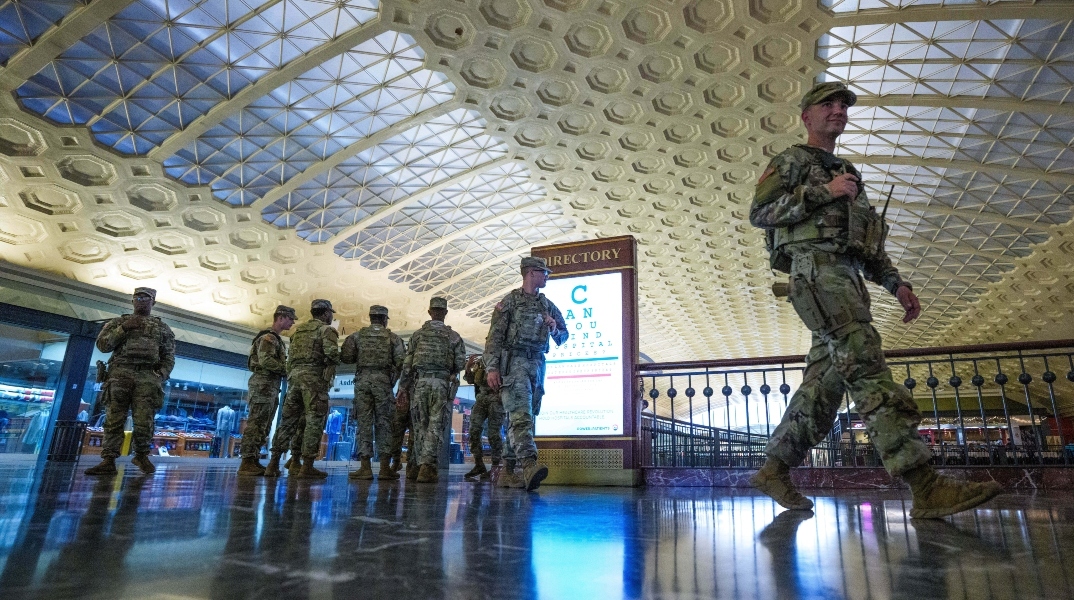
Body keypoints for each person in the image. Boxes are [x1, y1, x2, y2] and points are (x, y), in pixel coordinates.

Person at [748, 81, 1001, 518]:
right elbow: (760, 213)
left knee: (824, 387)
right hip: (816, 274)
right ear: (807, 116)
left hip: (845, 278)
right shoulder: (791, 161)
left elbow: (864, 243)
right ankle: (925, 486)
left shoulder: (848, 173)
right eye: (827, 104)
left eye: (843, 105)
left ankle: (773, 468)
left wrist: (895, 283)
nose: (837, 110)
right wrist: (823, 194)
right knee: (866, 366)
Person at [483, 256, 568, 491]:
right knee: (520, 416)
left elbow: (563, 336)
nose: (547, 277)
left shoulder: (547, 305)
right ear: (531, 273)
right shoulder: (509, 302)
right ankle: (529, 464)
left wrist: (553, 327)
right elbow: (495, 338)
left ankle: (508, 472)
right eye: (544, 273)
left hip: (538, 365)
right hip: (515, 363)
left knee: (525, 417)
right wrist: (492, 367)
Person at [85, 287, 175, 476]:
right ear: (132, 301)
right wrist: (123, 329)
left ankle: (141, 455)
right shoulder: (119, 322)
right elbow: (103, 346)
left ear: (153, 302)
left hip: (146, 377)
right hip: (120, 374)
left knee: (144, 420)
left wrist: (161, 374)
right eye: (138, 297)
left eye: (146, 298)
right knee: (114, 419)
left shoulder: (162, 328)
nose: (141, 301)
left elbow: (168, 356)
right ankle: (108, 459)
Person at [265, 299, 340, 479]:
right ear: (325, 313)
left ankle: (273, 463)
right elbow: (332, 355)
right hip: (314, 381)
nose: (331, 316)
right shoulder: (327, 330)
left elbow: (290, 359)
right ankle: (307, 466)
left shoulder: (298, 332)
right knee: (314, 421)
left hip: (294, 380)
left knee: (288, 421)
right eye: (330, 313)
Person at [398, 297, 466, 484]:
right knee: (435, 425)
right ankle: (427, 467)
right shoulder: (454, 337)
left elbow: (407, 365)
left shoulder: (418, 335)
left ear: (429, 312)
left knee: (420, 425)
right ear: (445, 313)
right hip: (441, 384)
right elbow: (460, 363)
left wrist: (403, 387)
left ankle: (417, 465)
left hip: (420, 384)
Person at [341, 304, 405, 480]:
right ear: (384, 319)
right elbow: (402, 362)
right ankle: (385, 468)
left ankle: (365, 467)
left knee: (364, 422)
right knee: (384, 423)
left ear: (370, 318)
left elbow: (346, 357)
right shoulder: (393, 338)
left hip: (362, 382)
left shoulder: (357, 336)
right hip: (383, 382)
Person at [238, 304, 296, 475]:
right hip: (262, 386)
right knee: (256, 424)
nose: (292, 322)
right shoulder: (268, 338)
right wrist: (288, 370)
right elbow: (266, 361)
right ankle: (247, 462)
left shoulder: (275, 339)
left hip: (269, 387)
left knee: (263, 425)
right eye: (290, 319)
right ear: (280, 318)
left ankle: (253, 460)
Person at [462, 353, 503, 480]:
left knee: (493, 434)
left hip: (496, 398)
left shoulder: (502, 358)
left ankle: (496, 467)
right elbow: (470, 379)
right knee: (474, 430)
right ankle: (479, 464)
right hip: (481, 398)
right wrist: (468, 367)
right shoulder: (481, 361)